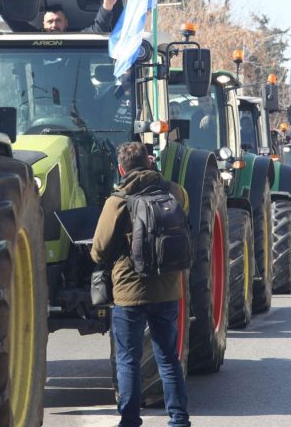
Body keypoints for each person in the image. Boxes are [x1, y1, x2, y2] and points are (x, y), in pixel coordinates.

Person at [90, 142, 191, 427]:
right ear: (149, 162)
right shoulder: (174, 192)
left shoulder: (118, 200)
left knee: (128, 359)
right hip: (168, 289)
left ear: (121, 168)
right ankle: (179, 419)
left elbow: (99, 249)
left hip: (129, 294)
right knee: (168, 358)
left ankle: (130, 421)